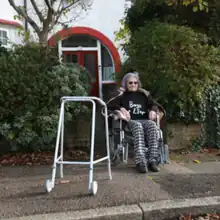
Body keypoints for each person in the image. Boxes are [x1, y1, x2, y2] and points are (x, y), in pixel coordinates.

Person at [107, 72, 165, 173]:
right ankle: (140, 162)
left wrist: (153, 110)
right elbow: (109, 105)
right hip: (131, 121)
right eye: (130, 83)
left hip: (145, 120)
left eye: (135, 83)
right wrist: (120, 108)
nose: (133, 85)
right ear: (125, 83)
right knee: (138, 126)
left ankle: (152, 160)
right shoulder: (121, 95)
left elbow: (154, 104)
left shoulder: (143, 94)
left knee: (152, 125)